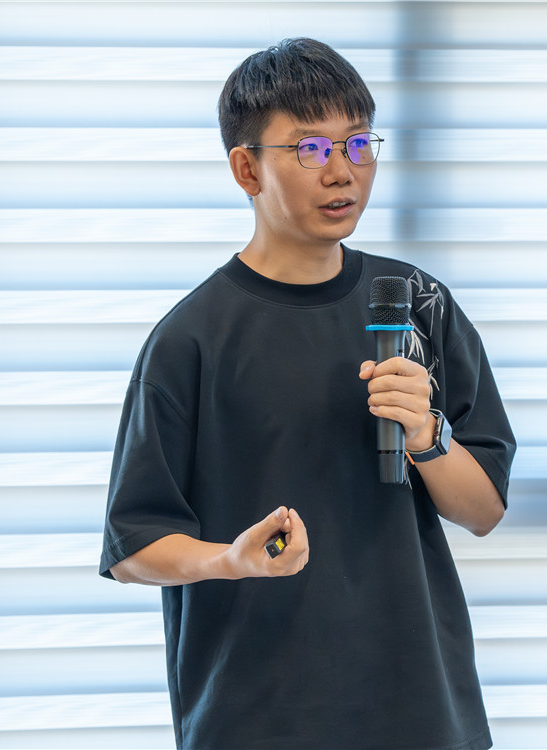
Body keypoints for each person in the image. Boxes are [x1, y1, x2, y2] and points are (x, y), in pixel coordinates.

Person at [100, 37, 516, 750]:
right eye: (311, 149)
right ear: (247, 168)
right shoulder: (190, 339)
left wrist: (428, 436)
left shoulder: (419, 305)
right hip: (257, 716)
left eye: (358, 144)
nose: (342, 171)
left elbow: (482, 512)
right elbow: (133, 545)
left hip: (419, 710)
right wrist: (230, 560)